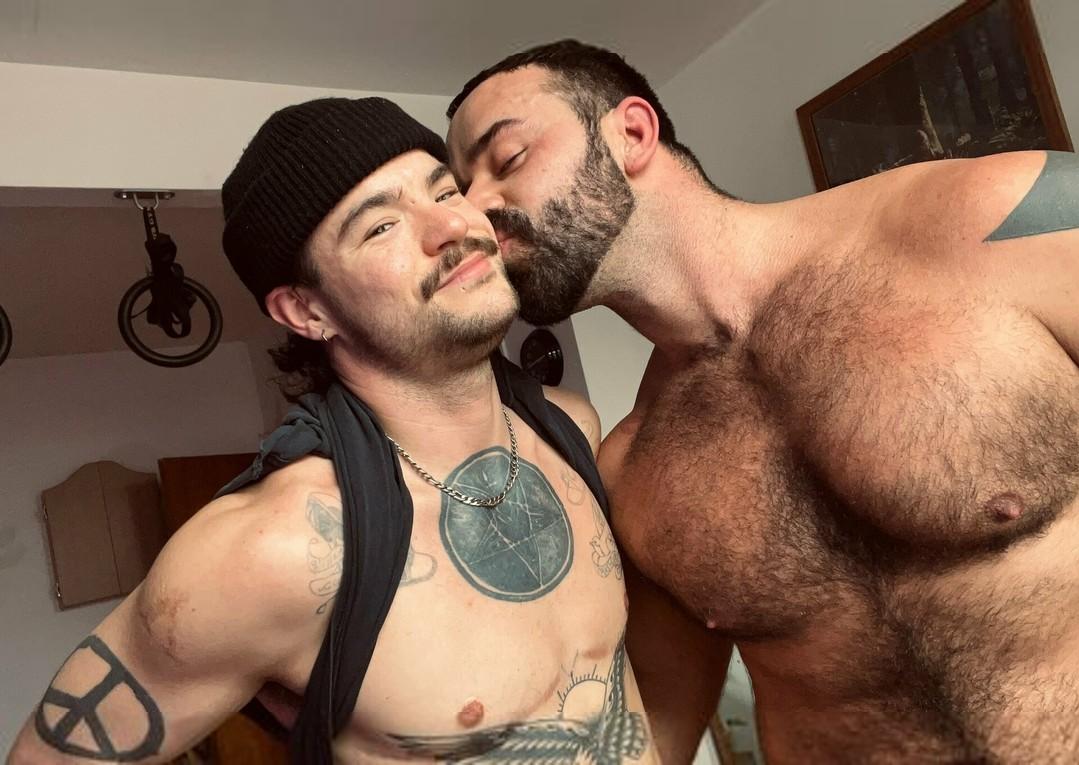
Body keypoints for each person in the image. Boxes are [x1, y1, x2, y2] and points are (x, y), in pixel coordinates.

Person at [446, 40, 1079, 763]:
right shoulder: (632, 468)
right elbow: (655, 734)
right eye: (460, 189)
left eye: (507, 158)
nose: (475, 212)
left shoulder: (992, 220)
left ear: (632, 133)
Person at [8, 98, 660, 764]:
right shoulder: (272, 551)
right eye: (381, 226)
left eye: (444, 190)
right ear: (307, 310)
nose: (449, 225)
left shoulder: (571, 428)